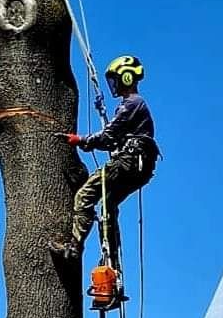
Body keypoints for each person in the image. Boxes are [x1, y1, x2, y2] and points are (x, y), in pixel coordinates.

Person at [50, 55, 159, 264]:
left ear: (126, 78)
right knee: (108, 205)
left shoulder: (133, 103)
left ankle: (73, 245)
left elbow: (108, 137)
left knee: (85, 194)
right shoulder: (132, 106)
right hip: (138, 166)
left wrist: (81, 140)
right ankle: (111, 259)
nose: (114, 85)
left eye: (116, 79)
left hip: (129, 161)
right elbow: (112, 140)